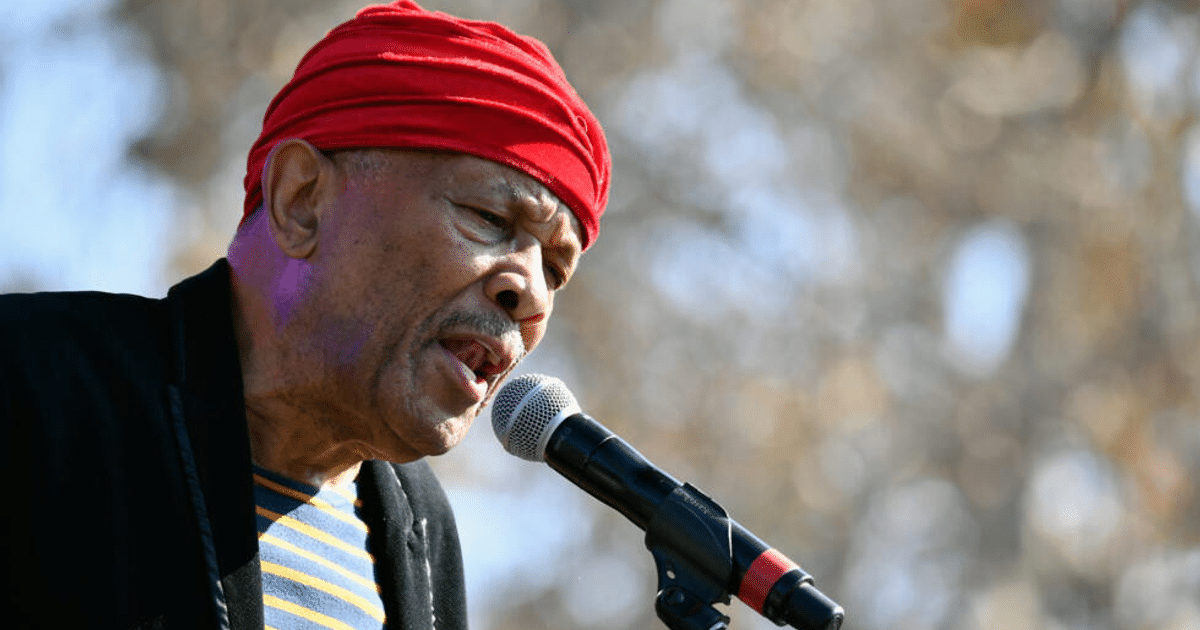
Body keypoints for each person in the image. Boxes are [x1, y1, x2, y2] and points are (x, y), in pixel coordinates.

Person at [0, 1, 610, 628]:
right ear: (301, 199)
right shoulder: (35, 381)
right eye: (489, 219)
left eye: (557, 270)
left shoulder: (423, 535)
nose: (532, 294)